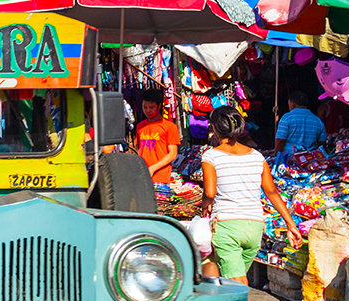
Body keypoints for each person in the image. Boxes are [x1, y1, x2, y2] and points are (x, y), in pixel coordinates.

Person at [198, 108, 300, 285]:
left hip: (227, 226)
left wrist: (205, 205)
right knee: (226, 279)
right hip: (254, 228)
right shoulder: (256, 156)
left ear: (213, 128)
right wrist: (291, 225)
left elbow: (210, 192)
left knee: (237, 288)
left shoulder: (211, 156)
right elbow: (271, 192)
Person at [134, 89, 181, 184]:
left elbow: (173, 154)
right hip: (142, 175)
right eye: (145, 107)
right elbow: (139, 150)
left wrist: (152, 168)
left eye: (151, 107)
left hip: (161, 177)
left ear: (159, 106)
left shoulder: (170, 126)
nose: (147, 110)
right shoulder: (140, 126)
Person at [273, 92, 326, 159]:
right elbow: (322, 145)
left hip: (289, 159)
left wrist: (276, 158)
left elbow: (281, 141)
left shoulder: (287, 118)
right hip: (310, 160)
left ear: (292, 102)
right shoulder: (317, 120)